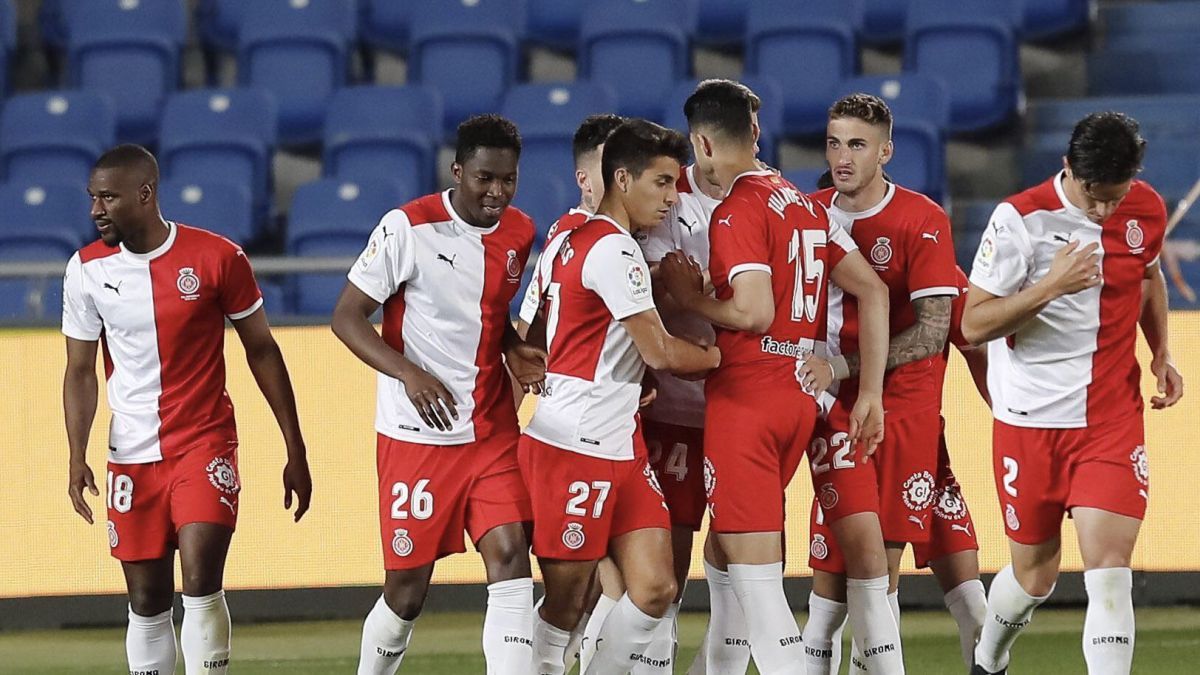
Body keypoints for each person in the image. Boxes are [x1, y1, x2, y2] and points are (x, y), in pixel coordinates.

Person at [659, 79, 890, 675]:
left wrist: (695, 299)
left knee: (758, 587)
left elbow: (752, 311)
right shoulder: (802, 202)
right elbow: (873, 287)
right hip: (798, 397)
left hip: (746, 400)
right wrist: (866, 391)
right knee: (728, 554)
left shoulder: (737, 209)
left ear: (701, 143)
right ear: (754, 132)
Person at [63, 144, 312, 675]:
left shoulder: (218, 258)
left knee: (200, 580)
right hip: (130, 453)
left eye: (107, 197)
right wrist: (75, 453)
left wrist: (295, 445)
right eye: (92, 198)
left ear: (145, 194)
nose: (95, 210)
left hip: (204, 443)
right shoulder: (85, 271)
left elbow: (262, 349)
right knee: (147, 600)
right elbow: (79, 370)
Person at [963, 112, 1184, 675]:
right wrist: (1051, 285)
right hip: (1029, 420)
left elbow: (1149, 277)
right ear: (1068, 168)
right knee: (1035, 574)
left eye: (1117, 196)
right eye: (1095, 197)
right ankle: (988, 657)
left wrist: (1160, 351)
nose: (1105, 211)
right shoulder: (1020, 219)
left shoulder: (1146, 209)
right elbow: (974, 324)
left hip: (1110, 419)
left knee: (1109, 572)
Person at [330, 114, 547, 675]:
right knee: (407, 591)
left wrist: (511, 349)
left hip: (491, 428)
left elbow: (488, 312)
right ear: (457, 171)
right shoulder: (408, 227)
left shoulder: (520, 232)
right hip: (416, 438)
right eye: (484, 178)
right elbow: (347, 318)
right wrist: (408, 373)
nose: (497, 192)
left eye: (508, 179)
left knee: (509, 555)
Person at [519, 119, 721, 675]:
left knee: (656, 587)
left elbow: (534, 329)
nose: (672, 197)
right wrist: (722, 358)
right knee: (567, 602)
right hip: (575, 445)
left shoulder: (568, 234)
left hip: (620, 443)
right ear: (623, 178)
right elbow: (659, 351)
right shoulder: (614, 250)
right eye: (661, 183)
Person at [795, 93, 981, 674]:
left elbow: (933, 333)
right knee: (834, 578)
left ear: (886, 151)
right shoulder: (805, 210)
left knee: (899, 568)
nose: (843, 156)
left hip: (903, 412)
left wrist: (846, 369)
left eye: (857, 144)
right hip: (830, 410)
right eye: (834, 143)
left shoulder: (921, 220)